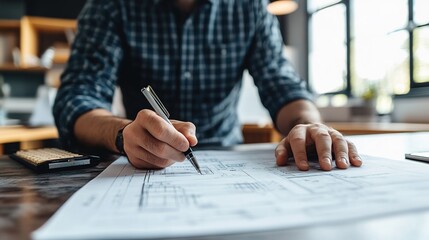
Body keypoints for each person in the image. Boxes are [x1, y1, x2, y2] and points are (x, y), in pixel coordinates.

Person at [53, 0, 362, 171]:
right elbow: (77, 98)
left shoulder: (250, 9)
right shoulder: (111, 7)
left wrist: (308, 125)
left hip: (228, 157)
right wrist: (123, 134)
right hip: (140, 157)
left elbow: (283, 86)